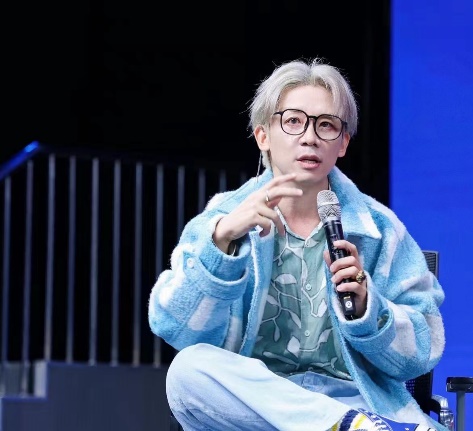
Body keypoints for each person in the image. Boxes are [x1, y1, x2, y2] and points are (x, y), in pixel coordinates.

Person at [148, 58, 446, 431]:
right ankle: (340, 425)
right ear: (263, 136)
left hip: (359, 403)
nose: (309, 137)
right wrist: (221, 244)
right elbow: (175, 328)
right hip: (258, 410)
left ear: (343, 143)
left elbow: (423, 351)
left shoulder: (380, 230)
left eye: (326, 125)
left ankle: (347, 423)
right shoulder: (224, 218)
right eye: (293, 121)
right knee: (187, 370)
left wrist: (370, 310)